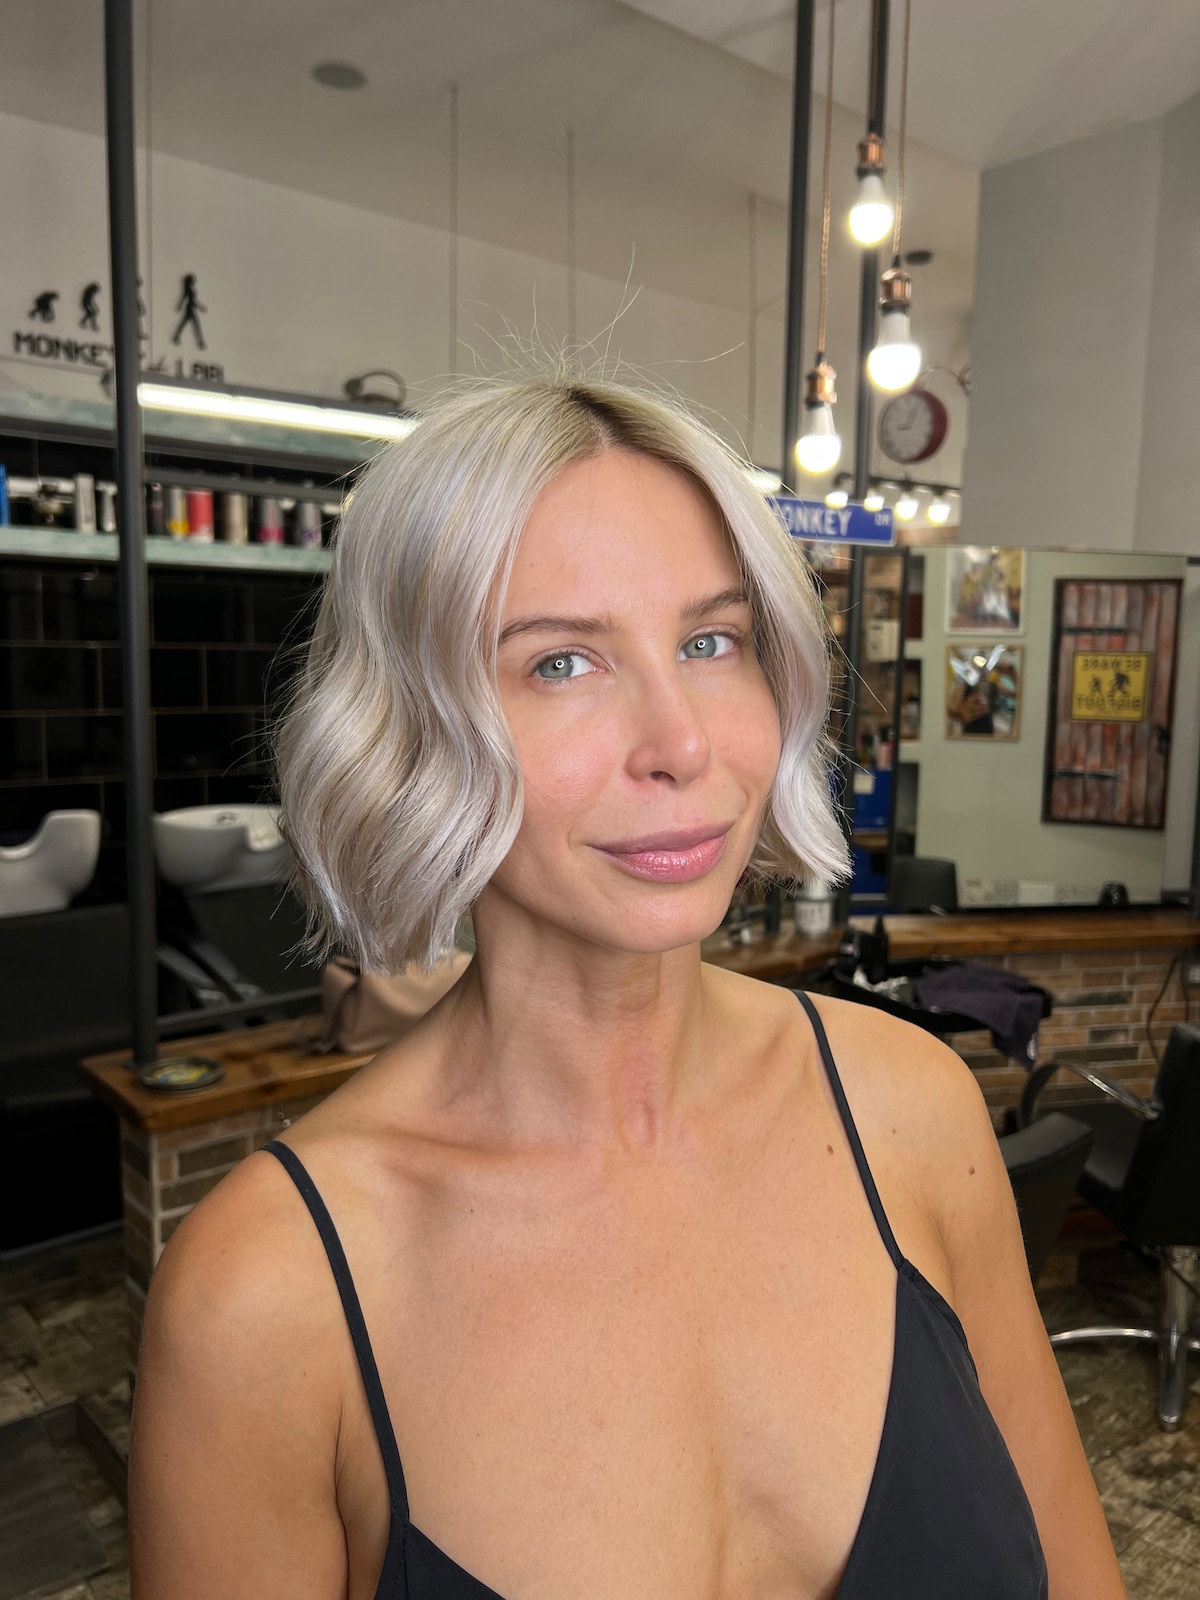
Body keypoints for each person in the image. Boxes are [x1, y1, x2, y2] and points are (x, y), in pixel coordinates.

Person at [130, 377, 1124, 1600]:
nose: (683, 741)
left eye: (711, 642)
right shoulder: (266, 1301)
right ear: (405, 731)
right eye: (562, 662)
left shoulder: (911, 1111)